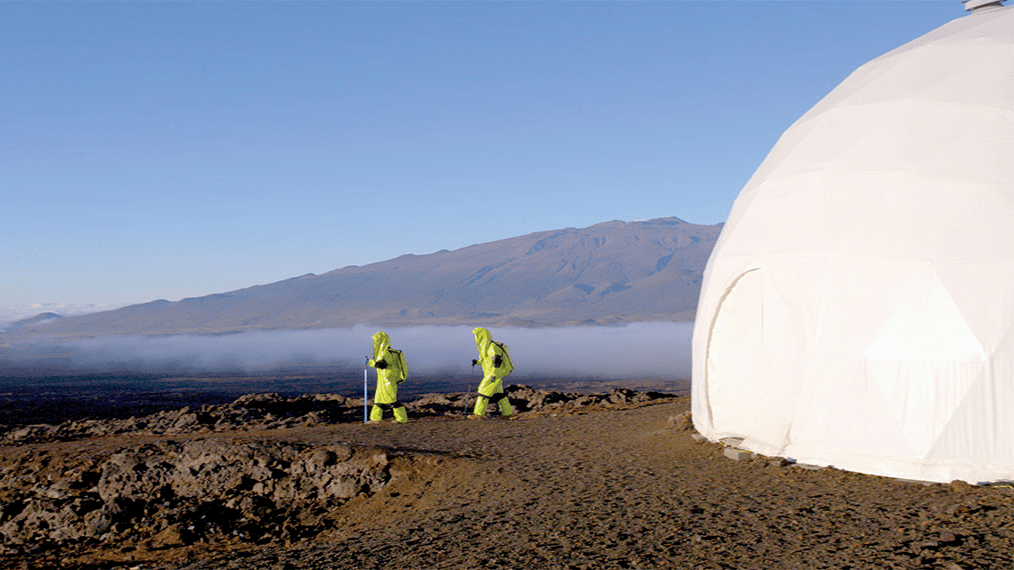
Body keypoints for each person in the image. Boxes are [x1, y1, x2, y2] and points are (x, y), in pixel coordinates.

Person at [470, 327, 515, 419]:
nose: (475, 338)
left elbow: (496, 361)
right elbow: (486, 361)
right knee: (499, 395)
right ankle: (508, 413)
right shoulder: (484, 349)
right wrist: (477, 362)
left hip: (493, 374)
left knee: (483, 391)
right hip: (492, 374)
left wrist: (494, 374)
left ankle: (478, 414)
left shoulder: (491, 347)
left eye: (477, 336)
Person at [367, 330, 408, 423]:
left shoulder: (385, 353)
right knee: (379, 400)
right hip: (384, 380)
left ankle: (402, 419)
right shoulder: (388, 352)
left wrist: (369, 362)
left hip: (388, 380)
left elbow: (381, 364)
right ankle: (375, 419)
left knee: (391, 400)